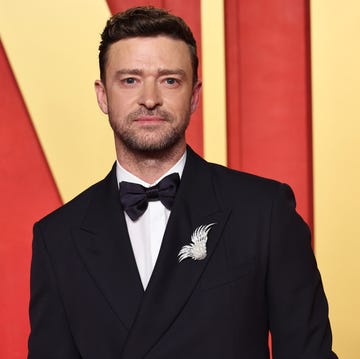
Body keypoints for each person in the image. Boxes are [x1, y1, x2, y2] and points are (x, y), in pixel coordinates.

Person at [27, 6, 337, 359]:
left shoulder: (264, 213)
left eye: (169, 80)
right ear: (102, 95)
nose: (150, 98)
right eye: (130, 80)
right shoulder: (58, 238)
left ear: (194, 96)